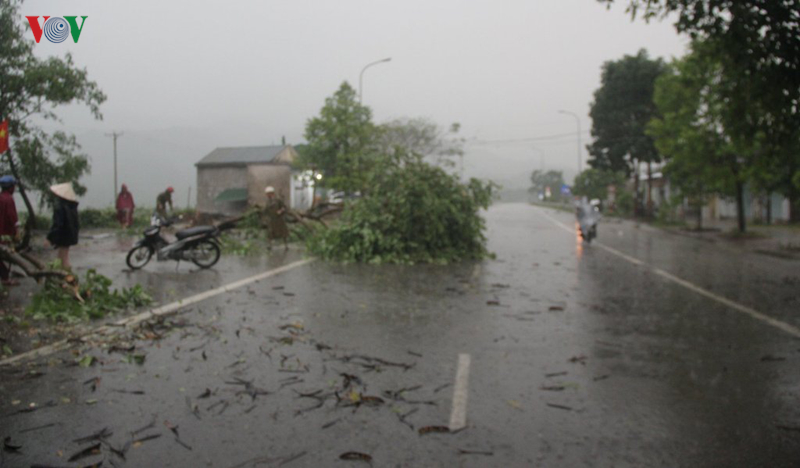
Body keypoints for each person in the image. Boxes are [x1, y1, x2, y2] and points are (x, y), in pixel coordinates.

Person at [47, 182, 80, 271]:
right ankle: (64, 274)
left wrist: (50, 237)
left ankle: (67, 275)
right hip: (69, 234)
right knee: (62, 256)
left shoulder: (60, 208)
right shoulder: (72, 206)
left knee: (63, 258)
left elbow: (58, 224)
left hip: (63, 235)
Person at [0, 176, 19, 286]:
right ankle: (5, 277)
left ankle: (5, 276)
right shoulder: (8, 199)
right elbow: (12, 218)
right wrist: (17, 231)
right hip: (4, 234)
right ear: (10, 187)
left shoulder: (1, 197)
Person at [260, 186, 289, 250]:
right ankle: (269, 245)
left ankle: (286, 245)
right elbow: (265, 210)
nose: (267, 195)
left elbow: (284, 207)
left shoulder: (278, 200)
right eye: (267, 194)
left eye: (268, 194)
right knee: (270, 233)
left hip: (279, 219)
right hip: (271, 220)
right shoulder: (268, 202)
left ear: (272, 193)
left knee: (283, 232)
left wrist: (280, 211)